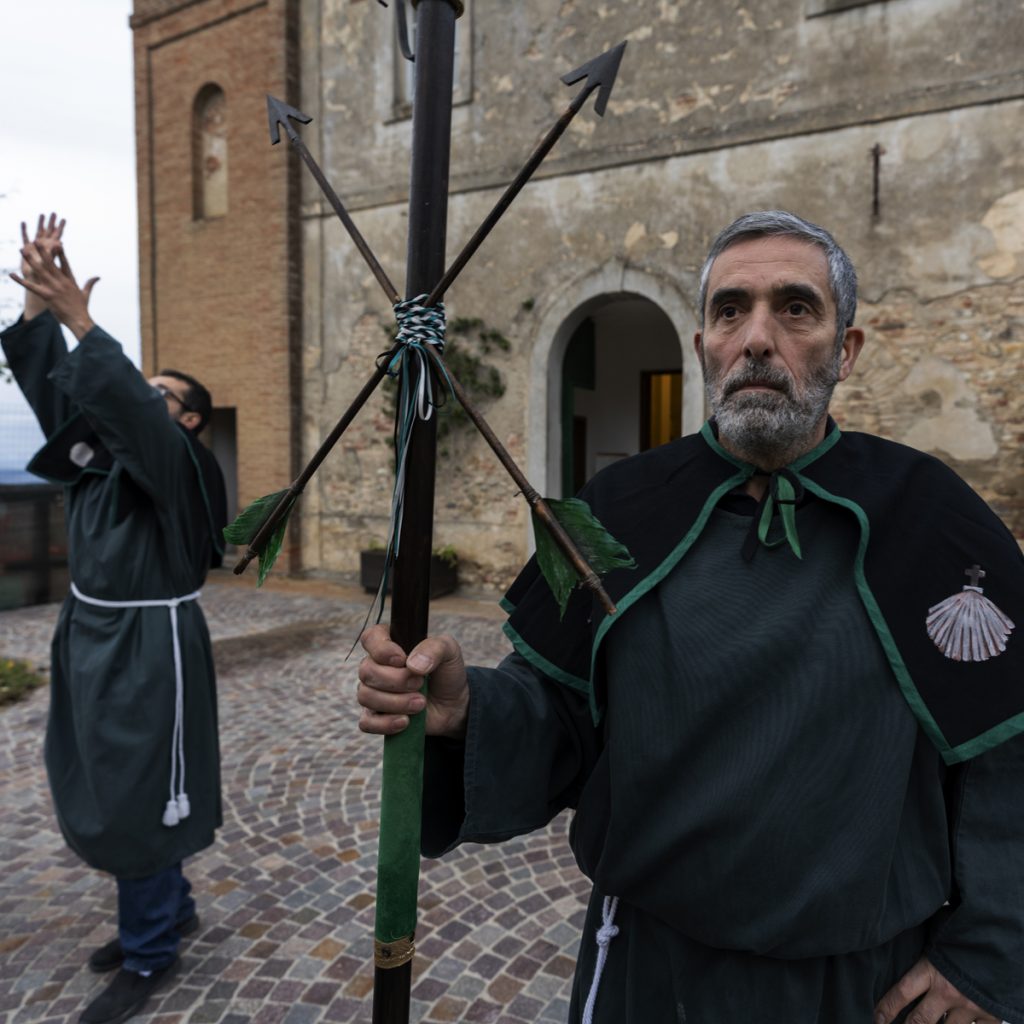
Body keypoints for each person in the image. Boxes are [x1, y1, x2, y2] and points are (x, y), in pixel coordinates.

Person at [357, 211, 1024, 1024]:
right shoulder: (619, 509)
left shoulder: (934, 520)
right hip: (648, 971)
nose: (757, 339)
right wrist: (468, 711)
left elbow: (1006, 751)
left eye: (796, 309)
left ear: (846, 350)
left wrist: (989, 954)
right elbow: (561, 716)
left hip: (858, 986)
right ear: (704, 344)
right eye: (730, 310)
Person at [3, 215, 228, 1024]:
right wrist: (39, 311)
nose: (141, 396)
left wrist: (84, 325)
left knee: (138, 789)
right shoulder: (100, 465)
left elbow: (128, 409)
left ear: (188, 420)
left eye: (160, 393)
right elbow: (66, 397)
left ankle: (149, 950)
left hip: (146, 646)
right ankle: (172, 908)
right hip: (92, 634)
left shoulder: (181, 464)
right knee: (107, 776)